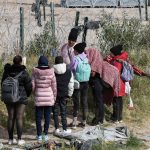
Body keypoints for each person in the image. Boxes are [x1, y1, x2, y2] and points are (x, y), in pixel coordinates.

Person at [1, 55, 32, 145]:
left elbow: (2, 83)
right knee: (19, 117)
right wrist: (27, 95)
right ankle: (19, 139)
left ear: (13, 61)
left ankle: (10, 139)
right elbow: (29, 86)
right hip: (21, 98)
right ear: (21, 62)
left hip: (9, 97)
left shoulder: (6, 72)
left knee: (10, 117)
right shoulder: (24, 72)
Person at [86, 48, 120, 125]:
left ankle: (98, 120)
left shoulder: (95, 63)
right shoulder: (100, 61)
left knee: (98, 102)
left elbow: (93, 74)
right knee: (99, 101)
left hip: (97, 84)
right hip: (101, 84)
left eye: (89, 54)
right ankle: (99, 119)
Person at [32, 56, 57, 142]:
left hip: (39, 96)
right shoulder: (51, 72)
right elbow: (54, 86)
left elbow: (33, 86)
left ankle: (39, 135)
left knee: (38, 117)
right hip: (49, 97)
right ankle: (45, 134)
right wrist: (54, 97)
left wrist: (34, 93)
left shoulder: (35, 72)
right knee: (47, 117)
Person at [70, 42, 91, 128]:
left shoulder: (75, 58)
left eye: (74, 50)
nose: (73, 52)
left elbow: (72, 69)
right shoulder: (86, 58)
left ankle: (74, 123)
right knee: (84, 102)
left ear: (77, 51)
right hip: (86, 82)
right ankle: (84, 122)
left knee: (76, 102)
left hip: (77, 82)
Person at [105, 45, 128, 123]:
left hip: (117, 84)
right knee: (120, 101)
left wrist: (109, 63)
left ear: (115, 53)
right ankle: (120, 117)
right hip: (121, 83)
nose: (110, 54)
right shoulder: (120, 59)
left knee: (116, 101)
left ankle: (115, 118)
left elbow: (115, 72)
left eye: (111, 53)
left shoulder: (117, 62)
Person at [53, 56, 74, 134]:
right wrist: (70, 94)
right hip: (64, 93)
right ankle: (65, 128)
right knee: (63, 111)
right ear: (63, 62)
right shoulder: (68, 71)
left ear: (55, 62)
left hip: (55, 94)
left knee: (55, 111)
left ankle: (57, 128)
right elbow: (71, 84)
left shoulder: (52, 71)